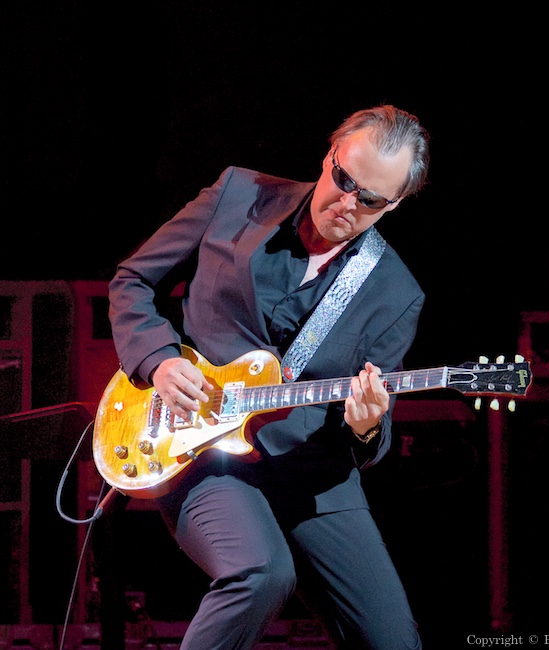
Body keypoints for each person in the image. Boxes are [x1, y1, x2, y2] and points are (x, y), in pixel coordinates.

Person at [107, 104, 429, 649]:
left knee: (394, 638)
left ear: (394, 204)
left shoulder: (396, 294)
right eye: (344, 179)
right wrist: (160, 359)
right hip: (202, 445)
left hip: (312, 474)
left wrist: (368, 425)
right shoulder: (238, 194)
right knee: (261, 573)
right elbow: (133, 280)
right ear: (329, 154)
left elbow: (372, 439)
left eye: (370, 199)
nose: (347, 204)